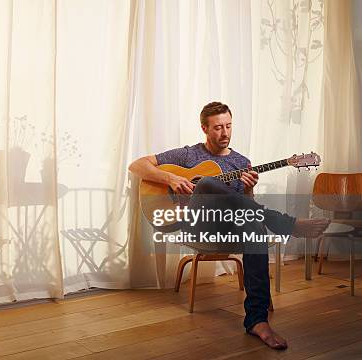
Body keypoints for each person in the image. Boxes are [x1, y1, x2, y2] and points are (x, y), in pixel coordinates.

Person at [128, 101, 330, 350]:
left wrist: (248, 189)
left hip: (229, 228)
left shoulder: (241, 162)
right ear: (204, 128)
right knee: (205, 185)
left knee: (255, 227)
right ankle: (288, 225)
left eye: (228, 126)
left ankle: (257, 320)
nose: (224, 133)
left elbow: (247, 208)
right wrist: (171, 177)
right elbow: (137, 165)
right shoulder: (189, 154)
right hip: (197, 225)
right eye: (217, 128)